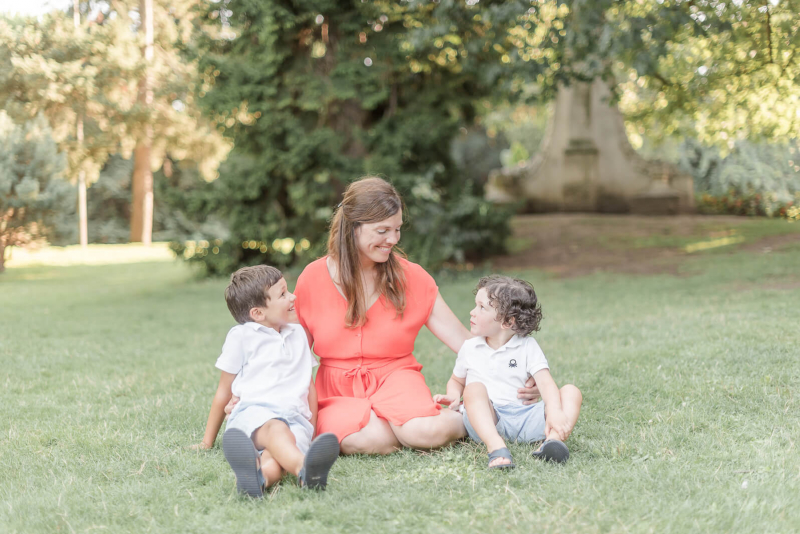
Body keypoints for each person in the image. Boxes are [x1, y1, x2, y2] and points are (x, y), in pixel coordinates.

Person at [291, 177, 540, 454]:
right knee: (364, 438)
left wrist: (519, 373)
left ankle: (474, 416)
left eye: (397, 229)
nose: (393, 239)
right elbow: (291, 353)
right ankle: (396, 429)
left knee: (426, 431)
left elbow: (467, 343)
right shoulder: (311, 279)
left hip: (398, 379)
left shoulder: (413, 277)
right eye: (383, 230)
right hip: (336, 390)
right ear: (352, 228)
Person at [193, 265, 339, 497]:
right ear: (258, 313)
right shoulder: (242, 337)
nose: (293, 297)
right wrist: (206, 442)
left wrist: (310, 435)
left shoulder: (298, 334)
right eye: (283, 294)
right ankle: (304, 468)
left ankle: (260, 479)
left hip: (295, 420)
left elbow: (308, 387)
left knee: (277, 456)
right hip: (252, 417)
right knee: (276, 429)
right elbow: (223, 391)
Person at [433, 275, 582, 468]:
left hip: (525, 416)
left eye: (481, 307)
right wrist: (453, 395)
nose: (472, 312)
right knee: (473, 389)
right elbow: (456, 381)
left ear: (507, 322)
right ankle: (496, 447)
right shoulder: (469, 348)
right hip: (489, 420)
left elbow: (545, 383)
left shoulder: (527, 346)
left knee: (571, 391)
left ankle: (552, 442)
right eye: (475, 305)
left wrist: (553, 411)